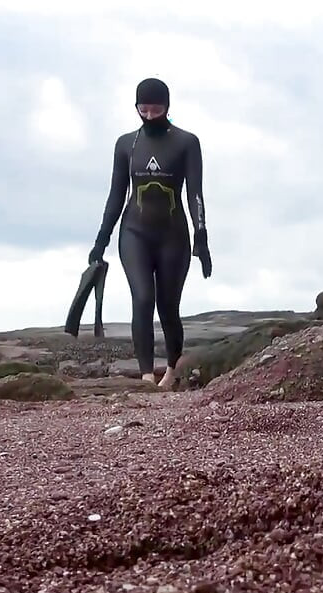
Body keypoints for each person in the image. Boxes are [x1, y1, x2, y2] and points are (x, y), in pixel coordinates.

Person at [88, 77, 212, 390]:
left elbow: (194, 193)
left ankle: (171, 372)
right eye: (143, 109)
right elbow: (116, 196)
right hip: (134, 233)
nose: (149, 115)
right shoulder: (125, 144)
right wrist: (100, 241)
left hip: (173, 236)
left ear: (167, 107)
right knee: (143, 299)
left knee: (168, 306)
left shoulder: (186, 142)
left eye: (156, 109)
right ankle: (145, 377)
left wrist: (202, 237)